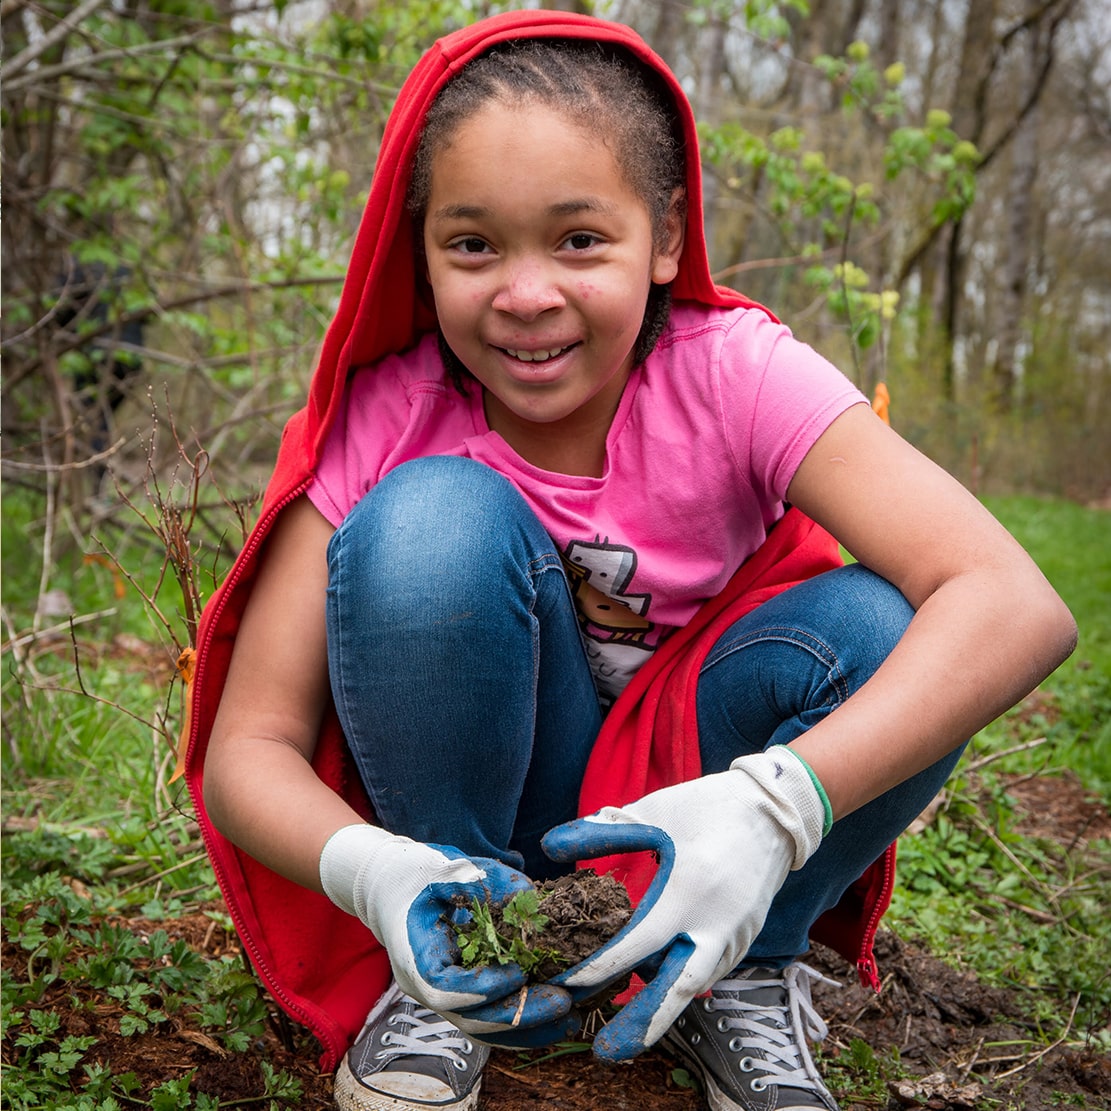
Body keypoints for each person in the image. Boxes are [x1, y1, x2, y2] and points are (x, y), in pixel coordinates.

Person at [186, 11, 1077, 1111]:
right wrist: (380, 871)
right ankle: (462, 952)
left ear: (663, 238)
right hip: (487, 818)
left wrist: (776, 809)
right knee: (430, 521)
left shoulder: (737, 376)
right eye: (472, 245)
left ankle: (741, 964)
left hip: (707, 806)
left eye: (578, 241)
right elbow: (250, 746)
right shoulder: (388, 413)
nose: (525, 293)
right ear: (416, 252)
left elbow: (1012, 601)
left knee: (878, 631)